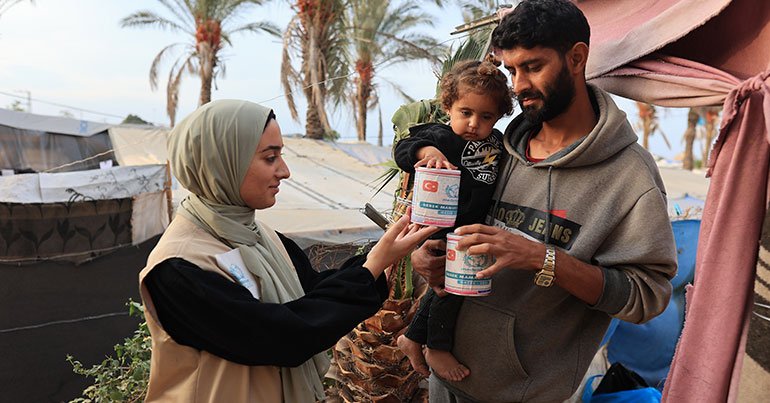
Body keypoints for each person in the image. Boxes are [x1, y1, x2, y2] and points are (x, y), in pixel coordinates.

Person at [409, 1, 678, 402]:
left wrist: (542, 258)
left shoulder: (630, 178)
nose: (518, 86)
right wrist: (425, 265)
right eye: (512, 70)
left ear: (576, 57)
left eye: (533, 67)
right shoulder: (489, 152)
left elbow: (647, 296)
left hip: (525, 393)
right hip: (445, 375)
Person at [138, 99, 438, 402]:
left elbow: (313, 293)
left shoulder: (261, 237)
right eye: (270, 158)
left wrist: (387, 258)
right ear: (221, 162)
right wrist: (373, 265)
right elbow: (281, 336)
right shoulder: (177, 266)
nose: (285, 171)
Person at [392, 59, 513, 382]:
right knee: (451, 290)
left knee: (447, 288)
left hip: (471, 228)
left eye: (486, 116)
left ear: (499, 116)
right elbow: (405, 148)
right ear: (449, 106)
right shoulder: (440, 136)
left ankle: (412, 338)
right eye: (466, 113)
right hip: (441, 226)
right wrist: (426, 152)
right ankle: (437, 346)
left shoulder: (497, 143)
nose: (474, 123)